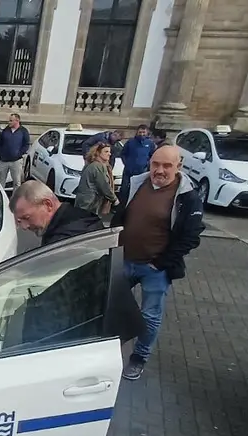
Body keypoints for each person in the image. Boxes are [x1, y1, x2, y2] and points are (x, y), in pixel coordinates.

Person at [109, 145, 204, 380]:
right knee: (110, 306)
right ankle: (107, 352)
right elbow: (120, 216)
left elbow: (190, 237)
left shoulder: (188, 197)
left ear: (178, 167)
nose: (159, 170)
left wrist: (160, 263)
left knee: (149, 316)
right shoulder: (135, 184)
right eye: (156, 164)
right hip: (125, 259)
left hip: (155, 269)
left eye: (167, 165)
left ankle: (139, 358)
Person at [11, 180, 105, 247]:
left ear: (48, 205)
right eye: (20, 221)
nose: (24, 226)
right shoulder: (83, 217)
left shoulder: (60, 243)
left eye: (27, 217)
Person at [75, 143, 120, 216]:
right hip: (89, 203)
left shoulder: (93, 164)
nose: (109, 154)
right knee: (86, 222)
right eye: (106, 152)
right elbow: (103, 185)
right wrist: (114, 200)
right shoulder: (97, 166)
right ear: (98, 153)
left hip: (86, 201)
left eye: (109, 151)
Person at [117, 124, 156, 202]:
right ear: (137, 132)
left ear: (147, 133)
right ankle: (121, 206)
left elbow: (153, 156)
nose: (141, 134)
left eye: (143, 132)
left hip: (141, 171)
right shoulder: (130, 142)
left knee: (138, 190)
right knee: (124, 189)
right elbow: (123, 154)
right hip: (128, 171)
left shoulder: (150, 143)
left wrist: (147, 165)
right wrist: (126, 163)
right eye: (140, 132)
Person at [0, 113, 31, 188]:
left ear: (17, 121)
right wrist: (0, 153)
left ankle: (16, 198)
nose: (9, 122)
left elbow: (26, 145)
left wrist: (19, 154)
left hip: (16, 161)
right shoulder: (5, 130)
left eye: (11, 120)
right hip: (4, 160)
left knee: (17, 182)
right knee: (1, 181)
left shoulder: (23, 131)